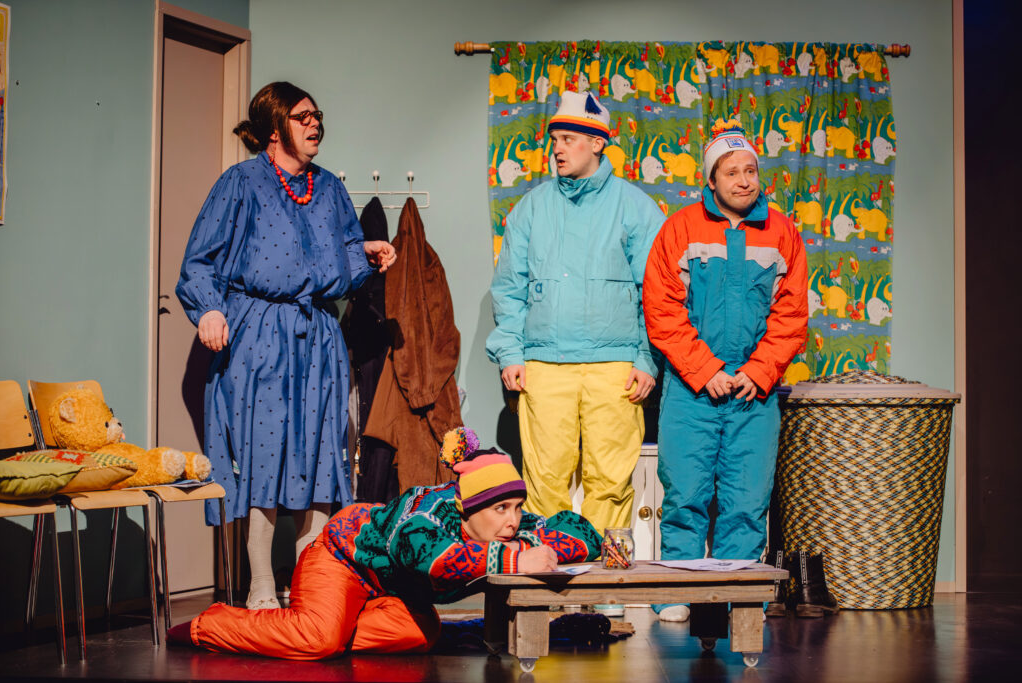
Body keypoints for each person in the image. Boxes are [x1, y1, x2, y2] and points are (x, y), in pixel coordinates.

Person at [176, 82, 396, 610]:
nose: (315, 124)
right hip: (258, 333)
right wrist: (209, 309)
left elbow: (345, 258)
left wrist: (366, 253)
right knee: (264, 455)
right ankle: (259, 585)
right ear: (275, 129)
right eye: (303, 117)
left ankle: (307, 584)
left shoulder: (330, 188)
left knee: (321, 457)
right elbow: (199, 261)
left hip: (318, 334)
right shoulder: (240, 183)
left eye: (317, 115)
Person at [167, 428, 601, 660]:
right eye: (501, 508)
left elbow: (580, 530)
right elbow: (433, 559)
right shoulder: (426, 513)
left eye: (517, 507)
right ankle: (211, 624)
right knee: (318, 640)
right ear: (467, 508)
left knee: (422, 634)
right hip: (341, 560)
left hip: (386, 592)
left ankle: (340, 625)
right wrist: (518, 558)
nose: (513, 520)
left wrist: (549, 548)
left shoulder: (504, 526)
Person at [642, 119, 808, 622]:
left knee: (746, 499)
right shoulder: (680, 228)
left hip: (754, 393)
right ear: (711, 179)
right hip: (692, 390)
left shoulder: (782, 233)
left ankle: (739, 595)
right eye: (731, 172)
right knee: (685, 494)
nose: (743, 180)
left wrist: (758, 371)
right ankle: (677, 591)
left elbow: (791, 315)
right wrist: (703, 369)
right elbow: (662, 309)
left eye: (750, 170)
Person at [486, 90, 664, 549]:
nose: (558, 149)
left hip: (616, 366)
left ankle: (606, 581)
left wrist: (646, 358)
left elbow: (658, 292)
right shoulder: (532, 208)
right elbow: (509, 288)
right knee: (544, 482)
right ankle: (552, 577)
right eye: (555, 140)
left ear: (597, 143)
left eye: (568, 139)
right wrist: (510, 352)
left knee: (611, 481)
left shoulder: (636, 207)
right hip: (544, 365)